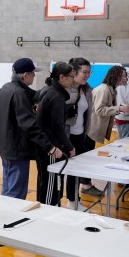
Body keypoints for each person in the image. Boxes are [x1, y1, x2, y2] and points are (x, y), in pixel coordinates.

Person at [0, 57, 61, 199]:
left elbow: (34, 95)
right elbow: (29, 125)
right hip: (16, 149)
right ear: (25, 75)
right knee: (16, 192)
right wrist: (50, 147)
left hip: (5, 147)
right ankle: (11, 219)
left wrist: (51, 85)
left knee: (8, 186)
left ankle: (4, 213)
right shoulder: (19, 93)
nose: (34, 76)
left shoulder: (8, 87)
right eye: (32, 73)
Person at [37, 61, 77, 206]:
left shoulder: (49, 90)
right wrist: (70, 146)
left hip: (47, 145)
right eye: (71, 76)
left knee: (47, 181)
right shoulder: (56, 96)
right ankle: (47, 211)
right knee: (50, 184)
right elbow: (57, 127)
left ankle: (49, 207)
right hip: (51, 147)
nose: (73, 80)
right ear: (62, 77)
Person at [65, 57, 99, 199]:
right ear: (74, 72)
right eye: (84, 72)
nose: (87, 75)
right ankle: (67, 201)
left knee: (76, 170)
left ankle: (74, 201)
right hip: (66, 136)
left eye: (89, 72)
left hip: (80, 135)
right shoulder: (65, 90)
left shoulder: (86, 90)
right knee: (64, 171)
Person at [88, 65, 129, 144]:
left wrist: (119, 108)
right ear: (114, 76)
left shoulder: (110, 89)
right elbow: (99, 110)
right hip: (91, 132)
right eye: (122, 76)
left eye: (125, 76)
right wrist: (119, 108)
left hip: (95, 130)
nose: (125, 79)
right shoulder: (104, 90)